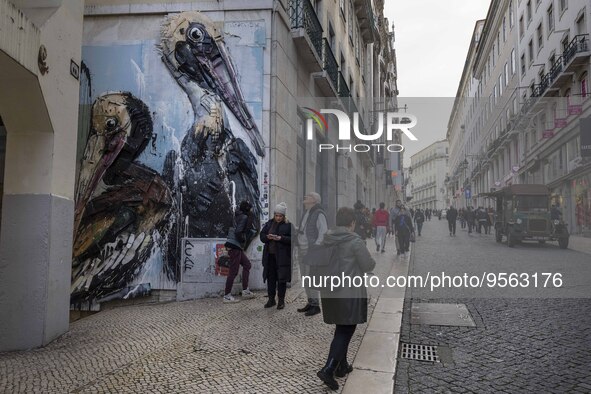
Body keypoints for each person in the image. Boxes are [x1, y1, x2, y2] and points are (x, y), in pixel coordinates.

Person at [316, 207, 376, 391]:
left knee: (341, 327)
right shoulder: (354, 241)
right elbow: (367, 264)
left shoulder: (327, 238)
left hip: (329, 290)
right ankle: (329, 368)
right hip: (347, 291)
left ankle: (342, 365)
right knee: (346, 329)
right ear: (352, 223)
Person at [297, 192, 328, 316]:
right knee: (305, 278)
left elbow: (323, 232)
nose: (305, 197)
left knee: (312, 278)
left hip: (311, 251)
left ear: (314, 200)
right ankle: (310, 302)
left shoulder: (319, 213)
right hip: (303, 249)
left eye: (308, 196)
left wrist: (316, 246)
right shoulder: (307, 212)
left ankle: (316, 305)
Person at [223, 200, 256, 303]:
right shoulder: (245, 217)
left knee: (247, 264)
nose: (251, 211)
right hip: (235, 246)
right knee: (233, 271)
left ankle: (245, 290)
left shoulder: (236, 215)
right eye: (250, 209)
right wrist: (242, 240)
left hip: (234, 246)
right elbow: (238, 232)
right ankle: (227, 296)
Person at [260, 202, 292, 310]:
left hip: (282, 257)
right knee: (271, 278)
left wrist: (281, 238)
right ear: (274, 215)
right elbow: (262, 236)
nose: (278, 218)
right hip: (270, 256)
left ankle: (281, 301)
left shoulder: (288, 225)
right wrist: (267, 237)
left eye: (280, 216)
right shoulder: (269, 223)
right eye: (276, 215)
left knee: (281, 279)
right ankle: (271, 299)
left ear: (284, 216)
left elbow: (293, 240)